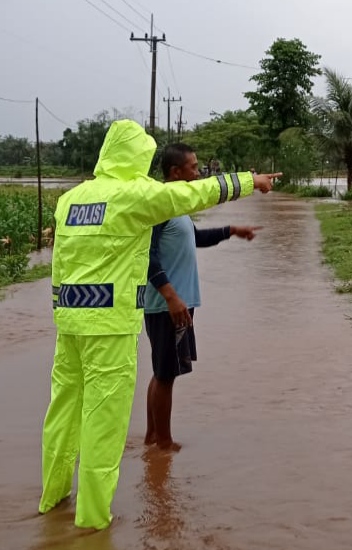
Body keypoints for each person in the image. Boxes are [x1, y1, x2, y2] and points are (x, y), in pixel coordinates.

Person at [39, 120, 280, 531]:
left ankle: (52, 498)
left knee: (62, 413)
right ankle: (93, 521)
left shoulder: (71, 199)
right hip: (110, 325)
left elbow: (61, 263)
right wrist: (249, 180)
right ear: (138, 156)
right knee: (104, 421)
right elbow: (195, 192)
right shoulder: (135, 196)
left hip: (70, 323)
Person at [143, 143, 262, 451]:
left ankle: (153, 436)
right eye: (194, 167)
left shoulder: (175, 206)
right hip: (167, 306)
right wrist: (171, 297)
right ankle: (164, 446)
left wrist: (232, 230)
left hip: (176, 304)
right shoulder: (160, 205)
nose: (199, 172)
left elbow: (194, 238)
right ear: (176, 172)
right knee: (165, 374)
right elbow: (147, 257)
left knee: (161, 372)